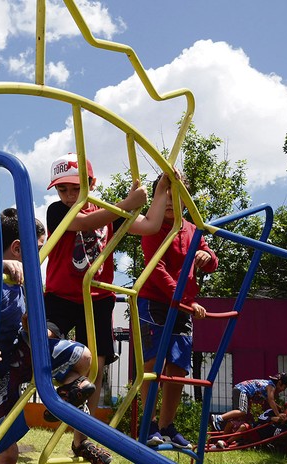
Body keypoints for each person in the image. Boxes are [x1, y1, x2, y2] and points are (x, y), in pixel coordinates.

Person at [0, 208, 108, 464]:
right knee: (7, 453)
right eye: (37, 249)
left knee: (82, 357)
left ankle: (63, 406)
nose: (41, 257)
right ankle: (64, 402)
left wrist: (36, 328)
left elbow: (26, 326)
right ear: (16, 248)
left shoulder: (24, 282)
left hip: (16, 358)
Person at [43, 153, 170, 426]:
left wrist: (160, 192)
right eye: (62, 189)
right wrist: (127, 204)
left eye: (76, 188)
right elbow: (83, 223)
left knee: (97, 367)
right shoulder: (57, 211)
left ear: (92, 183)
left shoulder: (108, 213)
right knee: (43, 338)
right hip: (60, 295)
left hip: (97, 298)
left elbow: (150, 226)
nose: (68, 195)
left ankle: (82, 437)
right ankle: (67, 385)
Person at [138, 173, 219, 449]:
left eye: (177, 195)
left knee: (179, 368)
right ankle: (148, 424)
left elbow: (210, 260)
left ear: (187, 200)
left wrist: (208, 259)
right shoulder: (152, 228)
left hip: (184, 304)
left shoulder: (192, 229)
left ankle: (167, 425)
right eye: (165, 194)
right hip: (156, 301)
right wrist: (184, 299)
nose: (171, 201)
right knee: (154, 364)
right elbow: (157, 268)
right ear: (157, 198)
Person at [211, 373, 287, 432]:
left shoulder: (268, 385)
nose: (283, 390)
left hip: (240, 390)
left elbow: (269, 400)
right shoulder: (271, 386)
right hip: (243, 390)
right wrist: (278, 414)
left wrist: (279, 407)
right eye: (284, 387)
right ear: (280, 383)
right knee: (242, 411)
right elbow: (271, 400)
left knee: (240, 416)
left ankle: (225, 437)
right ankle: (218, 418)